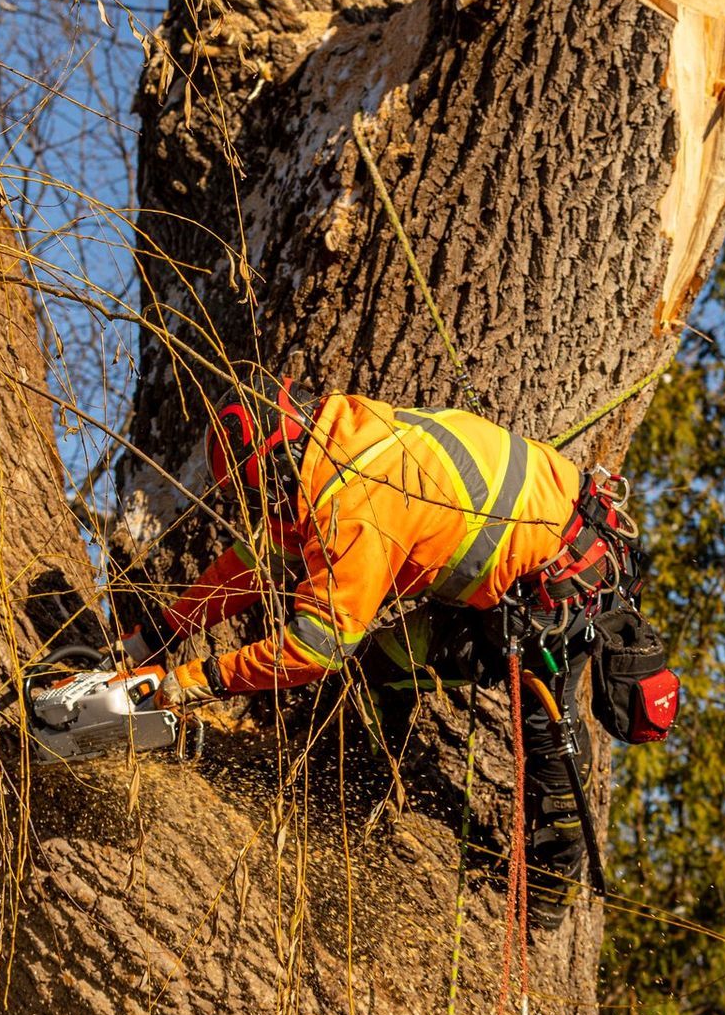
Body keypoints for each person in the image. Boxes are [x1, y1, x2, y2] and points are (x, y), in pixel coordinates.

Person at [120, 371, 656, 927]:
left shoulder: (354, 506)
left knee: (545, 724)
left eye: (259, 493)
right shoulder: (341, 432)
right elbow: (259, 561)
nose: (261, 507)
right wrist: (159, 634)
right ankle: (376, 783)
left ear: (280, 463)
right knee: (385, 663)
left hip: (560, 580)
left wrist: (192, 682)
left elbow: (314, 649)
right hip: (534, 535)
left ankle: (553, 882)